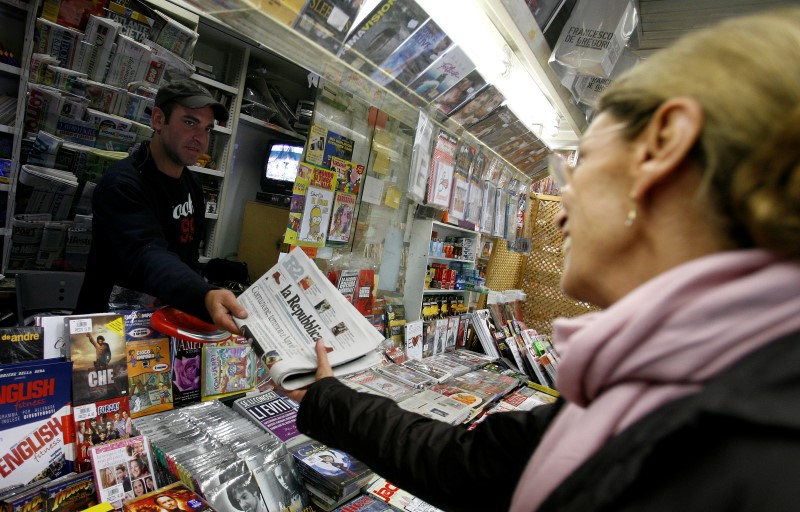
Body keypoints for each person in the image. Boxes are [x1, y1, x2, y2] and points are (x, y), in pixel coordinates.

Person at [282, 8, 800, 512]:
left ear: (662, 145)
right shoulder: (674, 387)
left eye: (584, 164)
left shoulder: (744, 449)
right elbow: (470, 466)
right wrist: (332, 401)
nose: (558, 209)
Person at [75, 79, 246, 334]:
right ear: (158, 119)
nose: (200, 138)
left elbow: (187, 260)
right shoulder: (121, 185)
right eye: (190, 122)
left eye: (207, 129)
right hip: (109, 329)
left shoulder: (192, 184)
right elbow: (148, 254)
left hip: (164, 324)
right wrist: (203, 295)